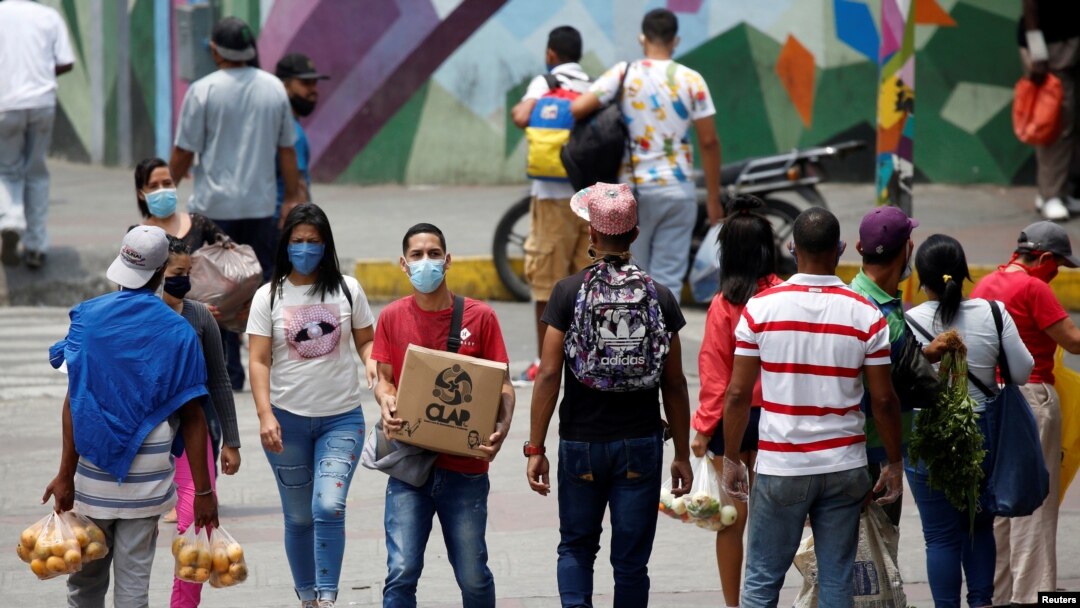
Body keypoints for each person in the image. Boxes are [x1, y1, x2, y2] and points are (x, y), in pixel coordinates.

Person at [720, 207, 904, 608]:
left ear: (792, 248)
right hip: (844, 466)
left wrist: (732, 457)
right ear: (839, 251)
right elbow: (885, 400)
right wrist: (894, 462)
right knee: (837, 580)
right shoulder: (866, 314)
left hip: (782, 467)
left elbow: (736, 395)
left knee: (762, 580)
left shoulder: (761, 309)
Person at [526, 183, 692, 607]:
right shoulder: (660, 296)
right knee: (631, 564)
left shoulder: (567, 293)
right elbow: (674, 383)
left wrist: (536, 447)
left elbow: (548, 375)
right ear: (635, 234)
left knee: (577, 548)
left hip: (581, 442)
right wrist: (683, 455)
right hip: (640, 443)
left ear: (591, 235)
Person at [42, 225, 218, 608]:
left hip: (92, 477)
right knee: (134, 587)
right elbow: (193, 417)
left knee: (84, 586)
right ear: (159, 274)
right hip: (149, 481)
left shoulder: (87, 320)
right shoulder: (179, 332)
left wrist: (64, 474)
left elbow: (75, 401)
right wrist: (204, 492)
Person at [372, 222, 515, 608]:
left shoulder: (479, 318)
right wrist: (385, 401)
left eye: (434, 254)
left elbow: (502, 384)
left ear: (448, 260)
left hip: (465, 471)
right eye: (416, 256)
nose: (426, 262)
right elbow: (382, 379)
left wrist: (502, 425)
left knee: (473, 576)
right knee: (400, 572)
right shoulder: (391, 317)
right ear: (403, 264)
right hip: (409, 468)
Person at [246, 203, 375, 608]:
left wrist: (375, 369)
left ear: (326, 245)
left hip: (342, 419)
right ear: (286, 245)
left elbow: (367, 341)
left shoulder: (348, 289)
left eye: (313, 242)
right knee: (299, 517)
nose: (305, 249)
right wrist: (265, 414)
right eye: (298, 241)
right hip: (287, 424)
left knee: (328, 505)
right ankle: (307, 597)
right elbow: (258, 359)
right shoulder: (268, 297)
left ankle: (328, 598)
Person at [170, 16, 303, 391]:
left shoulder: (202, 90)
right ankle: (271, 364)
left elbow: (183, 152)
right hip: (261, 208)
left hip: (212, 212)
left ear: (214, 50)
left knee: (216, 293)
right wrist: (291, 198)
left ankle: (228, 369)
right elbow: (287, 150)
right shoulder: (273, 89)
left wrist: (162, 196)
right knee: (264, 289)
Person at [904, 234, 1034, 608]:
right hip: (984, 438)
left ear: (922, 280)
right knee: (977, 529)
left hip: (928, 438)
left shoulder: (909, 321)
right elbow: (1022, 373)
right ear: (963, 273)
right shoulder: (994, 313)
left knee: (940, 537)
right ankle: (981, 603)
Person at [570, 7, 721, 294]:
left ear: (642, 39)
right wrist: (713, 198)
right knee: (669, 280)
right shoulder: (692, 80)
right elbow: (709, 141)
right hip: (678, 191)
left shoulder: (624, 73)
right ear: (675, 40)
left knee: (632, 274)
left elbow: (578, 108)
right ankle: (666, 338)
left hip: (633, 194)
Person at [970, 220, 1080, 605]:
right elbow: (1074, 341)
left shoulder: (985, 285)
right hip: (1033, 397)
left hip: (992, 398)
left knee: (999, 499)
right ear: (1043, 258)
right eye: (1057, 266)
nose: (1056, 274)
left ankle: (999, 594)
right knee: (1037, 499)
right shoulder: (1034, 287)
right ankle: (1035, 595)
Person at [691, 196, 780, 607]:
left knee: (732, 520)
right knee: (769, 521)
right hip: (778, 420)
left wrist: (703, 429)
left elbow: (715, 377)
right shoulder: (782, 296)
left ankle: (734, 605)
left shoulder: (722, 306)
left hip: (731, 420)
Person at [161, 235, 242, 607]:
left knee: (192, 527)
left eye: (188, 272)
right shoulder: (135, 313)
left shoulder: (199, 316)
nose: (185, 280)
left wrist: (231, 440)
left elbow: (220, 379)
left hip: (193, 439)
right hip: (144, 440)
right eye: (177, 273)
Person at [509, 26, 592, 385]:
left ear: (551, 54)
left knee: (546, 284)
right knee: (585, 282)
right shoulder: (593, 86)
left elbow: (521, 117)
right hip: (588, 200)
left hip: (550, 198)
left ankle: (545, 365)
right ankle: (583, 360)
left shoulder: (544, 82)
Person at [849, 206, 923, 526]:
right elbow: (883, 398)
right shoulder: (883, 318)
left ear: (859, 248)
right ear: (907, 248)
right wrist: (894, 462)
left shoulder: (854, 294)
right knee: (871, 564)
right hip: (875, 453)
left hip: (856, 448)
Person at [0, 0, 75, 269]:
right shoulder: (49, 16)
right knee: (37, 171)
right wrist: (40, 71)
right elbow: (66, 63)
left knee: (8, 170)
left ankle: (11, 222)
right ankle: (36, 245)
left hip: (6, 103)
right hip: (42, 102)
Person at [1019, 0, 1080, 220]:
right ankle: (1050, 195)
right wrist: (1037, 49)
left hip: (1070, 42)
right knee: (1055, 121)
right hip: (1050, 46)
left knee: (1070, 120)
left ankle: (1061, 191)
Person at [274, 52, 327, 228]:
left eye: (315, 83)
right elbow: (299, 183)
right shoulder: (291, 131)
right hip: (284, 222)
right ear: (284, 86)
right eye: (305, 83)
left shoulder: (280, 124)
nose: (313, 90)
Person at [134, 157, 232, 251]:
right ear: (141, 194)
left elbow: (231, 254)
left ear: (174, 185)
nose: (162, 190)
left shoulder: (198, 223)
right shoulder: (137, 234)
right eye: (153, 186)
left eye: (167, 183)